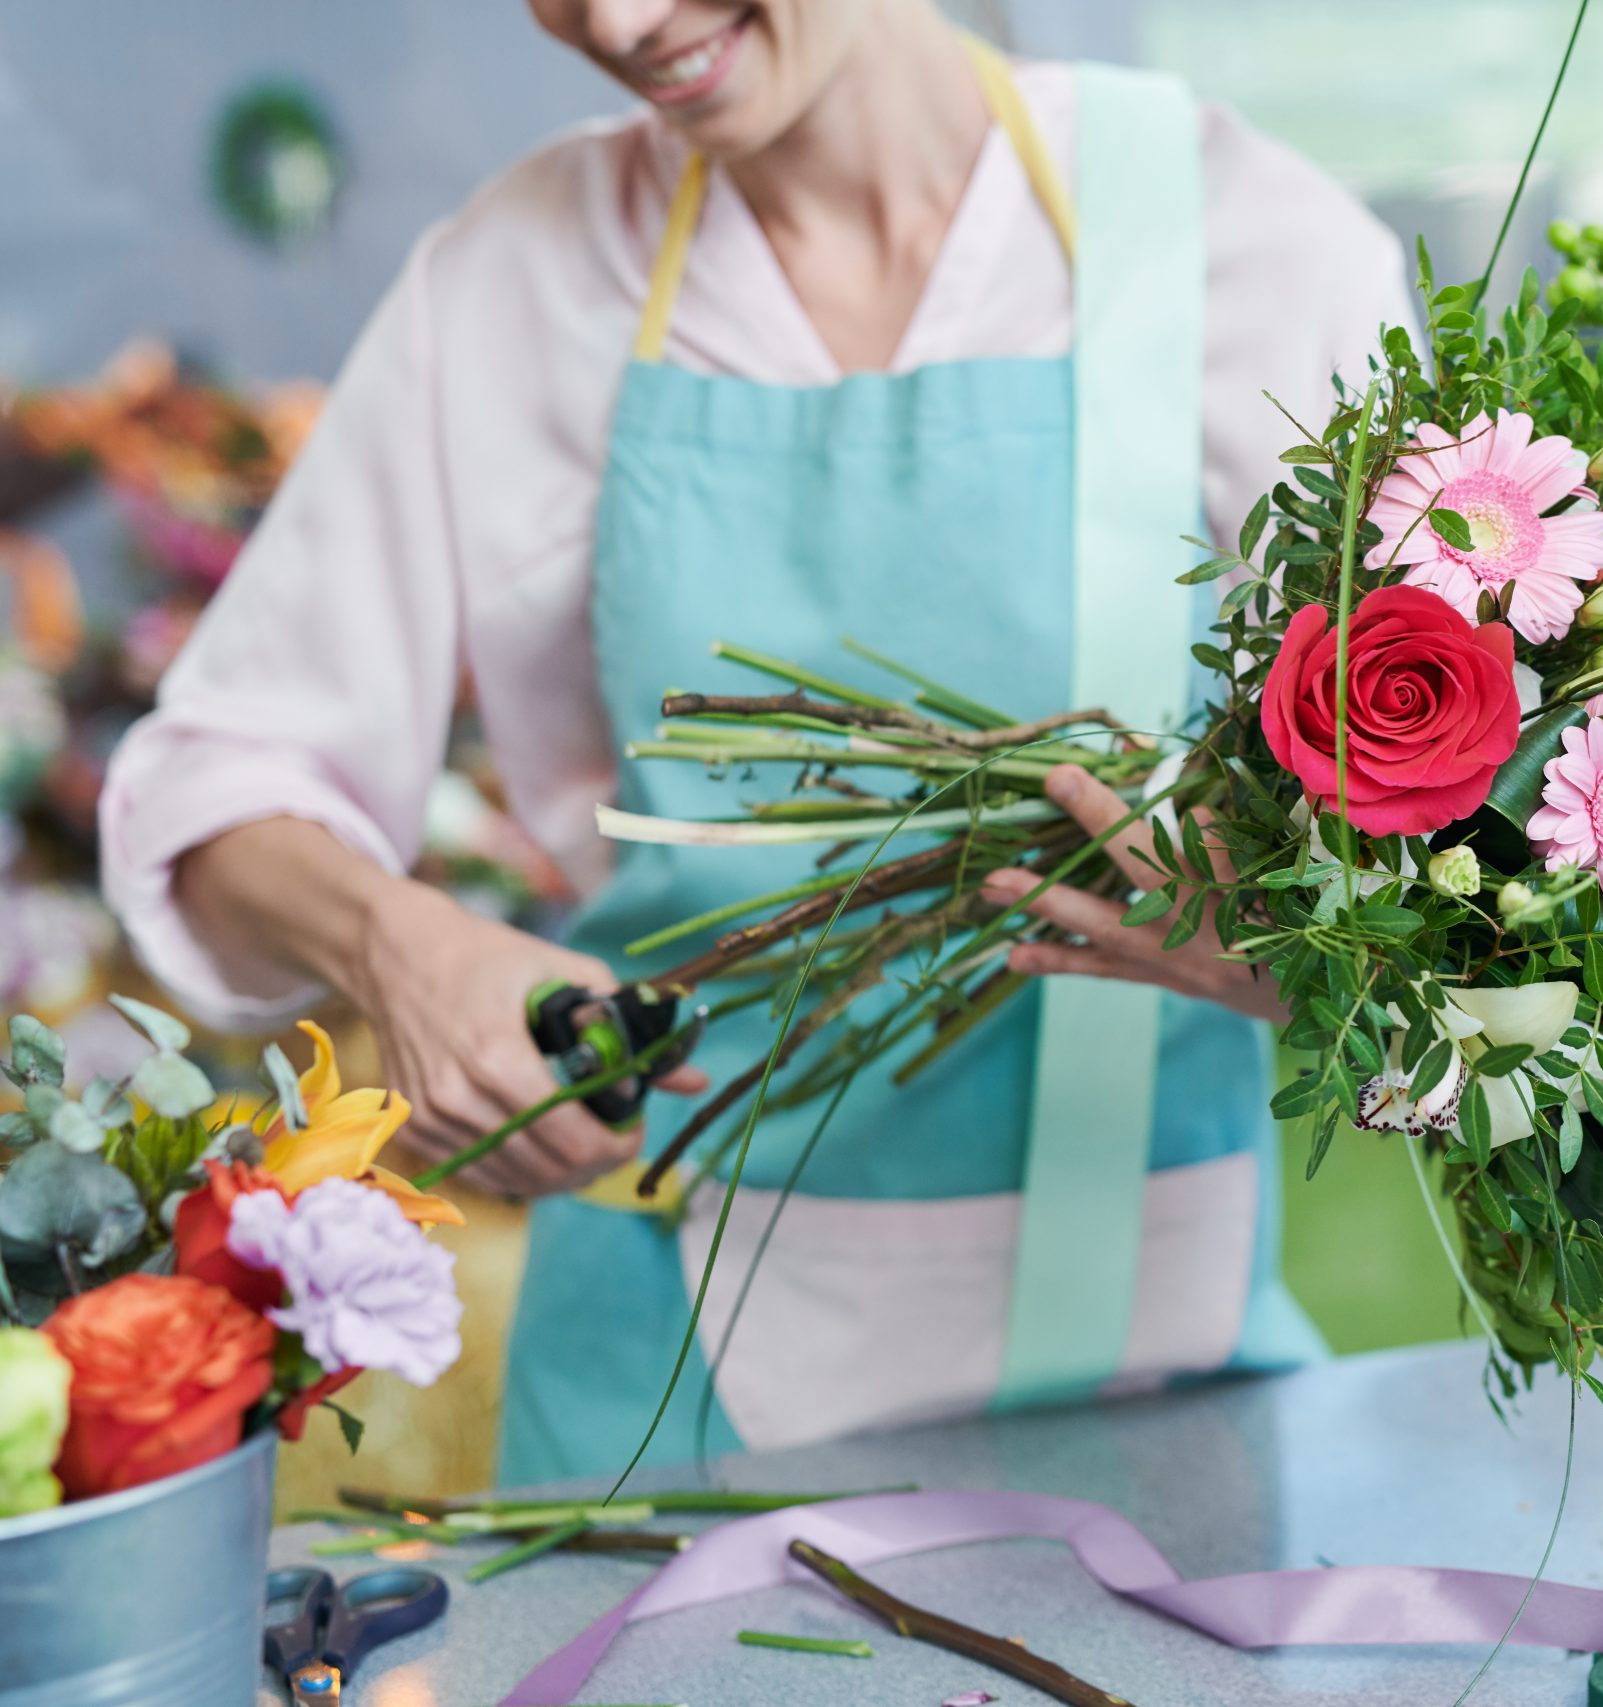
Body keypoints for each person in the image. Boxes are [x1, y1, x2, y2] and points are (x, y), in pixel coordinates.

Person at [100, 0, 1410, 1482]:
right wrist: (399, 944)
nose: (616, 19)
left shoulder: (1245, 240)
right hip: (662, 1411)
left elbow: (1487, 898)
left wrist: (1319, 950)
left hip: (1169, 1399)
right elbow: (213, 788)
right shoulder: (517, 282)